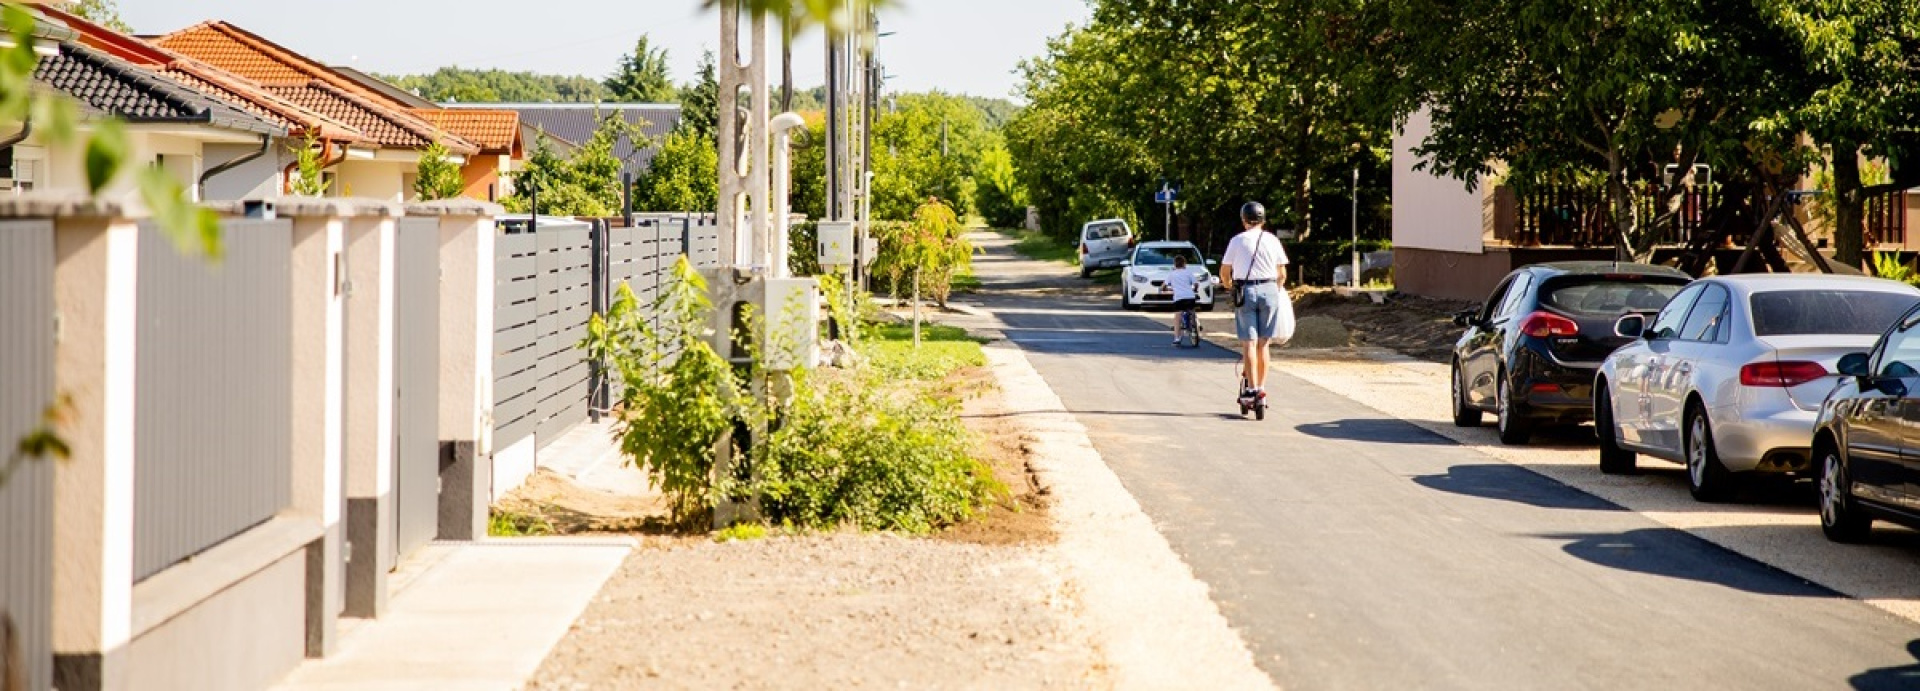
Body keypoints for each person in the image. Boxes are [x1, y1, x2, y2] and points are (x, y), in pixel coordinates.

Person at [1219, 201, 1296, 404]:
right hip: (1270, 290)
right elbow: (1282, 273)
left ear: (1244, 220)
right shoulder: (1272, 241)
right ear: (1263, 220)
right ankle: (1261, 388)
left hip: (1246, 290)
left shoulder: (1237, 241)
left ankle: (1251, 389)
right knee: (1264, 344)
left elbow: (1225, 272)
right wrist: (1275, 290)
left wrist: (1229, 285)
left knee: (1249, 343)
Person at [1168, 254, 1201, 345]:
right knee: (1192, 310)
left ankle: (1177, 338)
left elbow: (1164, 285)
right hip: (1190, 297)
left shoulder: (1172, 274)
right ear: (1184, 264)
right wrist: (1195, 288)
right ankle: (1196, 324)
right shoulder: (1188, 272)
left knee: (1177, 316)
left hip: (1179, 298)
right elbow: (1196, 283)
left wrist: (1162, 289)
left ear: (1175, 264)